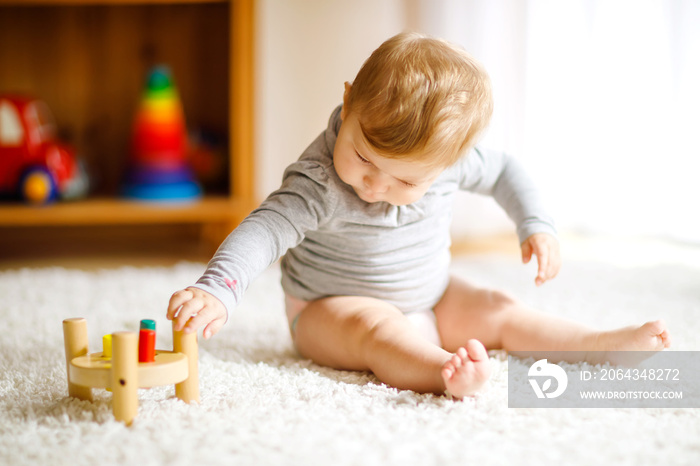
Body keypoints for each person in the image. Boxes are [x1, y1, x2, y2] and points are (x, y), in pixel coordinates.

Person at [167, 32, 670, 399]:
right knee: (378, 330)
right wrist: (218, 288)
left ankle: (597, 345)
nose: (376, 184)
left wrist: (536, 224)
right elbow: (265, 229)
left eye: (406, 181)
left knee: (498, 305)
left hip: (430, 293)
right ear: (348, 102)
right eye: (363, 156)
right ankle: (441, 370)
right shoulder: (320, 182)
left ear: (447, 163)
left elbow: (505, 172)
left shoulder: (448, 159)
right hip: (327, 310)